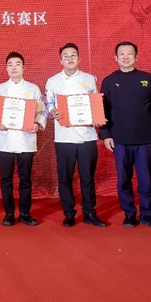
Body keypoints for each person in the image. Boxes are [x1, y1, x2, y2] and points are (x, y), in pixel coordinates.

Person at [100, 41, 151, 228]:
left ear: (136, 56)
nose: (126, 56)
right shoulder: (108, 81)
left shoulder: (148, 79)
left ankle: (147, 214)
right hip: (119, 139)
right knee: (123, 179)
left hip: (146, 138)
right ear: (115, 57)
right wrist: (106, 135)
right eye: (122, 53)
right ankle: (129, 214)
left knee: (146, 179)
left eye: (130, 53)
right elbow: (103, 111)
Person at [45, 43, 107, 228]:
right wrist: (52, 111)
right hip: (64, 137)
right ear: (60, 60)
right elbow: (48, 105)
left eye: (73, 55)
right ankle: (69, 213)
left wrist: (98, 116)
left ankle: (89, 212)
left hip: (87, 135)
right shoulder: (53, 81)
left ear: (79, 58)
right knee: (65, 177)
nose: (69, 58)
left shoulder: (89, 79)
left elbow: (96, 103)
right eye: (66, 56)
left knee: (88, 177)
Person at [0, 52, 46, 227]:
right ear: (6, 68)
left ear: (24, 67)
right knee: (5, 179)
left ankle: (24, 213)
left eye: (17, 64)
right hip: (5, 140)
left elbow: (41, 111)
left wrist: (37, 123)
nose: (14, 67)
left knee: (25, 178)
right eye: (10, 64)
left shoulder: (33, 89)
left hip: (26, 139)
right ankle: (8, 213)